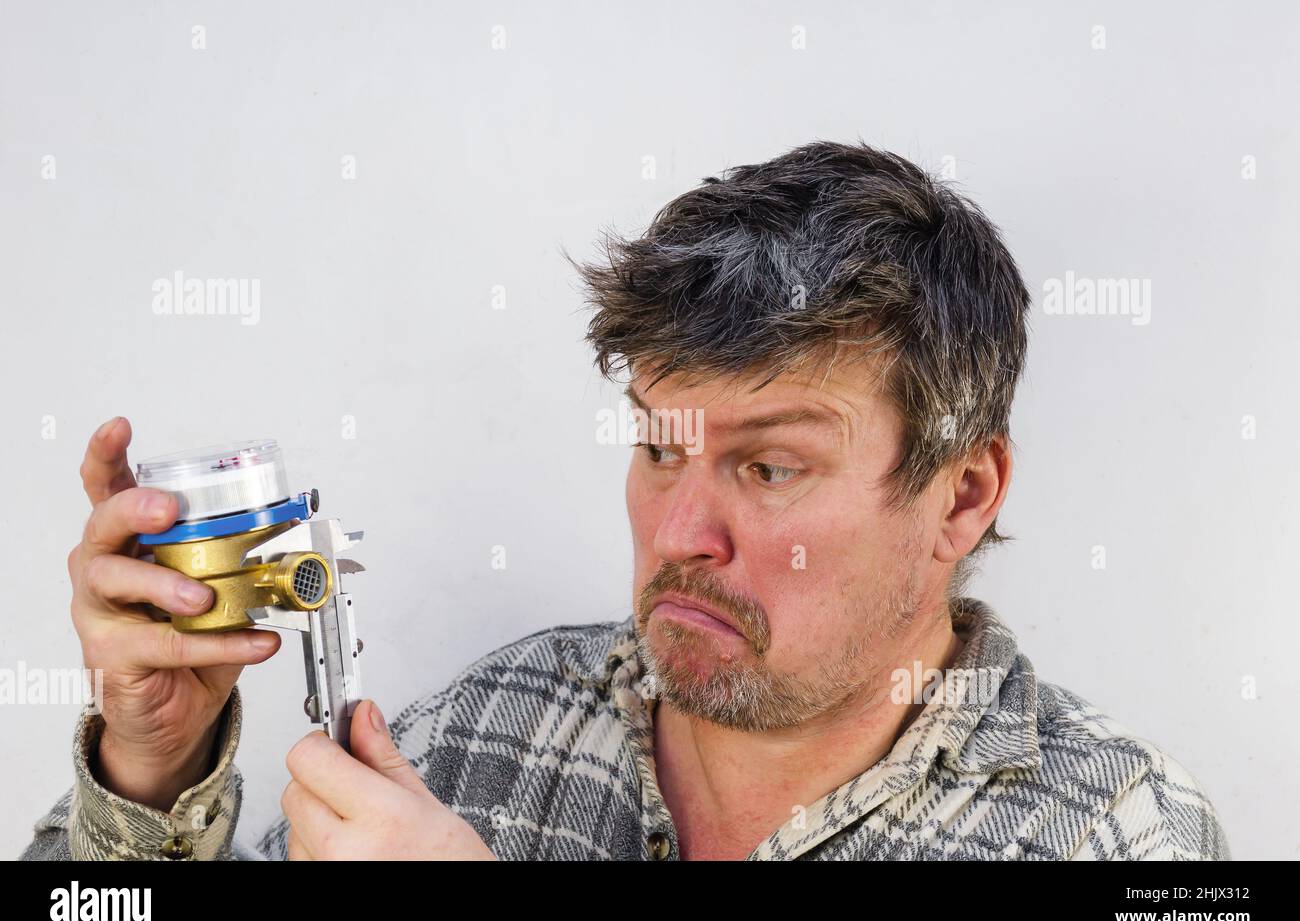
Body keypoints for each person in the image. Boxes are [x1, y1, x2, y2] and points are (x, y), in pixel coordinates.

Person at [22, 142, 1229, 861]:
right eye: (661, 449)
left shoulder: (1120, 833)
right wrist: (148, 767)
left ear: (960, 495)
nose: (679, 536)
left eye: (767, 467)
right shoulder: (486, 729)